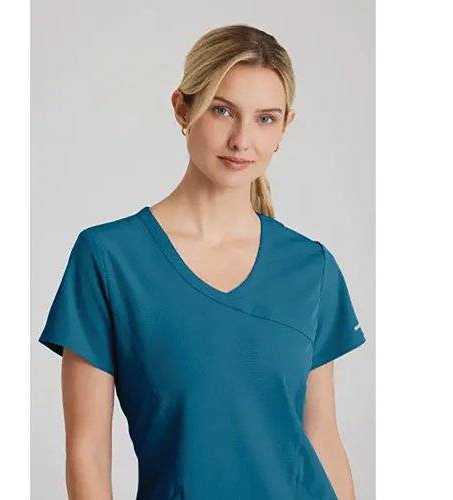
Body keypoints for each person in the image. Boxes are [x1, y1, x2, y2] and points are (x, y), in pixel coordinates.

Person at [38, 23, 367, 500]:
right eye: (222, 110)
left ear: (285, 128)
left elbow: (323, 438)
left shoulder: (310, 267)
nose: (241, 140)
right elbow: (87, 452)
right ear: (182, 108)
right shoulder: (110, 260)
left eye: (265, 118)